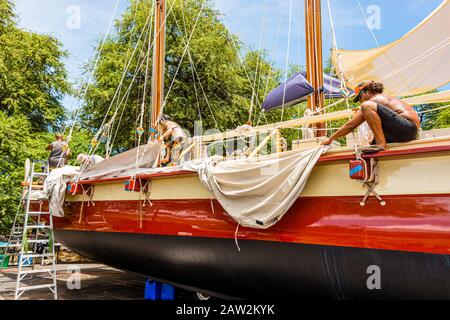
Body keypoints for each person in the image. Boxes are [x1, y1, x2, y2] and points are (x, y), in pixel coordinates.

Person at [322, 80, 420, 153]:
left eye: (360, 97)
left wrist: (330, 139)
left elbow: (350, 125)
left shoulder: (375, 99)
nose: (361, 100)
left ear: (368, 91)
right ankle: (379, 145)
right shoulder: (384, 101)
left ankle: (381, 144)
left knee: (366, 106)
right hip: (407, 132)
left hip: (407, 127)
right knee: (371, 144)